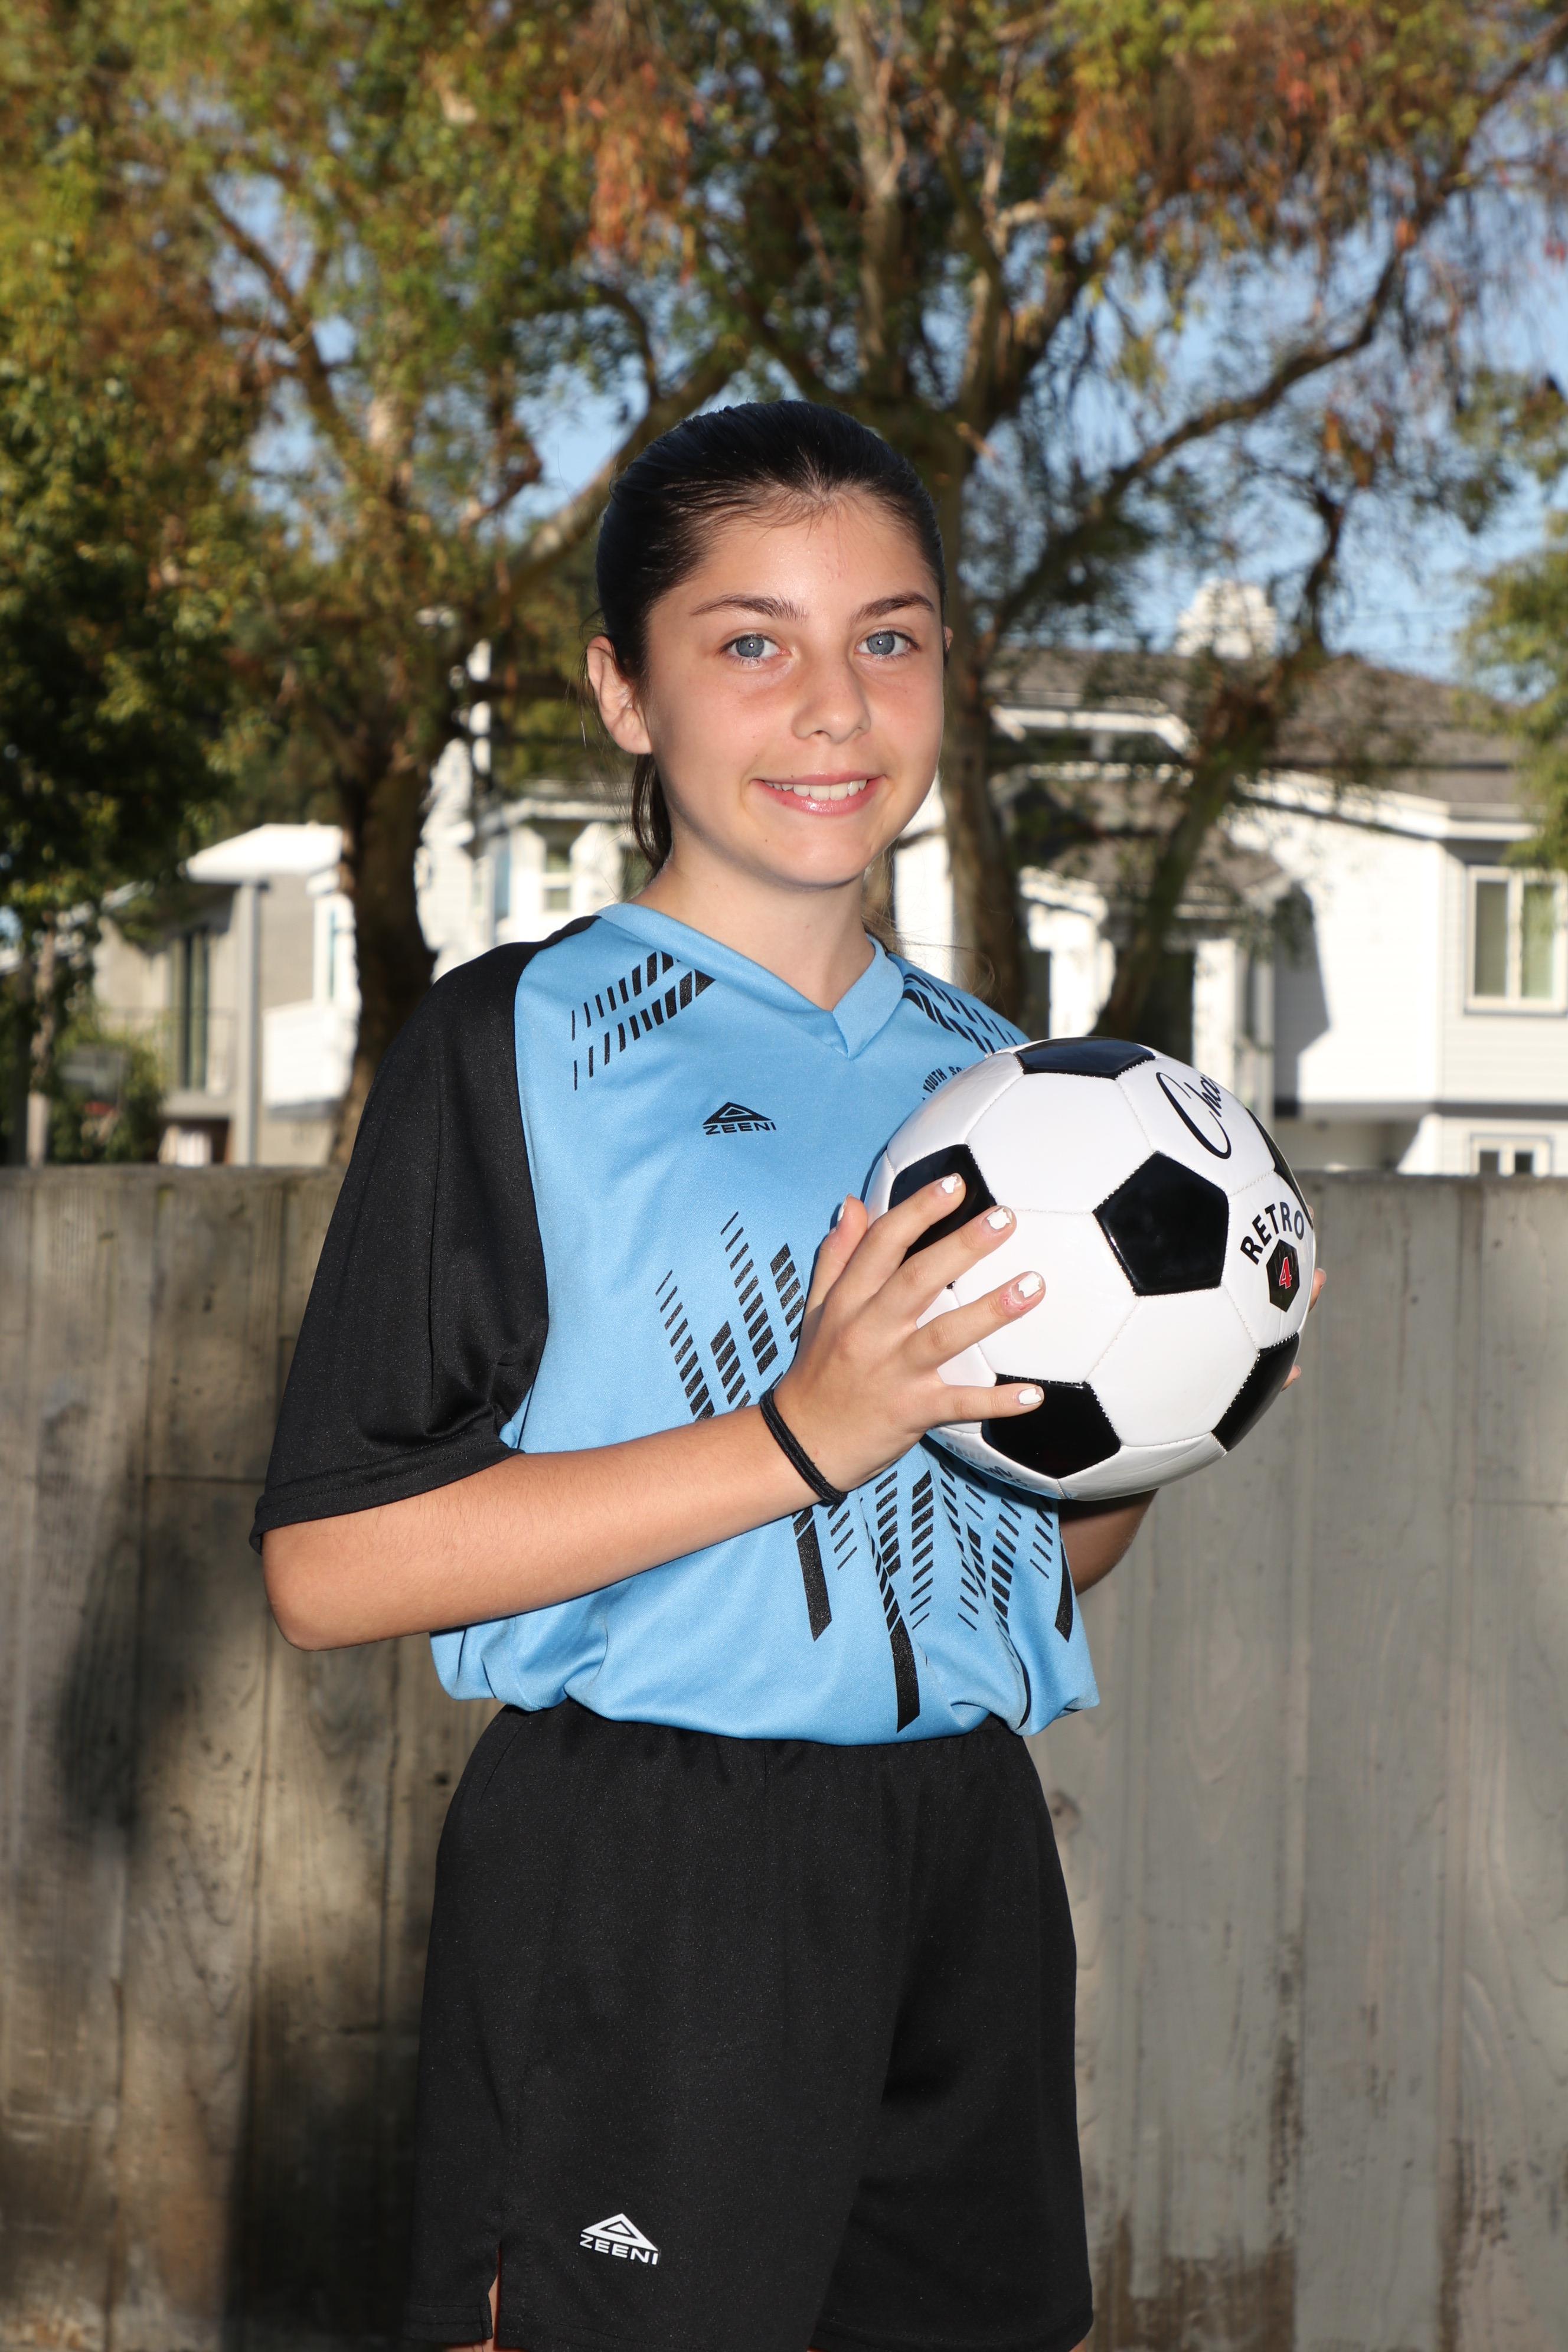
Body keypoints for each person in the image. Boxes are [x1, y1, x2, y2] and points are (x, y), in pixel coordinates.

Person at [254, 402, 1289, 2352]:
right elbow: (329, 1568)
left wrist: (1162, 1403)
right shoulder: (518, 1041)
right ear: (623, 693)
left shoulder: (1017, 1084)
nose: (833, 704)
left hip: (964, 1856)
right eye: (752, 641)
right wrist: (801, 1434)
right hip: (651, 1868)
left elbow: (1042, 1562)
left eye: (889, 637)